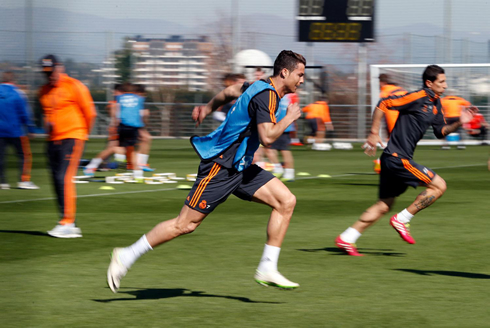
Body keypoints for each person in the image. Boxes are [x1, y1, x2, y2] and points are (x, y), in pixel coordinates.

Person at [107, 50, 305, 292]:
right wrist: (288, 118)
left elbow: (231, 91)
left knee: (286, 201)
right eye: (300, 74)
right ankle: (126, 255)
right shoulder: (268, 96)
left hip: (240, 166)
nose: (302, 80)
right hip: (220, 166)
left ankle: (267, 267)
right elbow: (268, 137)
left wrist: (208, 107)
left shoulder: (258, 85)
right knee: (185, 225)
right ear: (285, 72)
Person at [336, 65, 475, 256]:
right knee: (439, 186)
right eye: (441, 82)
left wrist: (460, 122)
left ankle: (347, 238)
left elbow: (440, 132)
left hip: (393, 159)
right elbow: (383, 103)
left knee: (383, 205)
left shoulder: (437, 104)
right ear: (429, 83)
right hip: (396, 158)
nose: (445, 85)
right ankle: (402, 219)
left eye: (445, 81)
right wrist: (373, 132)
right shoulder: (417, 97)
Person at [38, 55, 97, 238]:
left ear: (60, 67)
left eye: (53, 71)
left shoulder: (74, 85)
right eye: (47, 73)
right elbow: (46, 115)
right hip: (53, 140)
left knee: (64, 177)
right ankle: (68, 221)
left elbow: (90, 113)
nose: (51, 76)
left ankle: (68, 223)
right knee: (57, 180)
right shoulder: (43, 91)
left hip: (73, 137)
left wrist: (81, 134)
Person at [0, 71, 39, 190]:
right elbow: (25, 113)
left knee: (1, 156)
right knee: (24, 155)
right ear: (13, 81)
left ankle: (2, 182)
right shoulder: (18, 94)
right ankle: (23, 180)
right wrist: (31, 129)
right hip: (16, 131)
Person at [84, 84, 124, 175]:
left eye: (115, 91)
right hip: (115, 128)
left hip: (121, 127)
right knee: (112, 148)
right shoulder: (114, 103)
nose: (114, 93)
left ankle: (105, 165)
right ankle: (95, 165)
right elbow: (111, 111)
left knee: (114, 148)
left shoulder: (121, 102)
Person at [374, 74, 407, 173]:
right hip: (405, 120)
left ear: (381, 82)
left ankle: (382, 163)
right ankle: (384, 164)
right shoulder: (400, 89)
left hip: (393, 121)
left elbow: (382, 108)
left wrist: (385, 129)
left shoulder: (385, 91)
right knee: (400, 147)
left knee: (396, 147)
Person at [265, 93, 298, 181]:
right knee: (273, 149)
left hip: (280, 127)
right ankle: (285, 171)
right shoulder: (287, 97)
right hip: (283, 127)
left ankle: (286, 172)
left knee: (283, 150)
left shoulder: (275, 96)